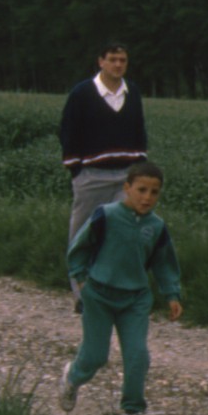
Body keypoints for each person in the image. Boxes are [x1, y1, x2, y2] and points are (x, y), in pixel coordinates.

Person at [60, 158, 184, 415]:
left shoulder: (157, 226)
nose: (147, 197)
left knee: (138, 356)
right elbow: (78, 248)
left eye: (154, 192)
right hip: (99, 296)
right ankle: (71, 377)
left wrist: (172, 294)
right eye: (141, 190)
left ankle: (132, 412)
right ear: (127, 188)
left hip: (135, 300)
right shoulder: (106, 215)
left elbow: (164, 263)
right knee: (95, 357)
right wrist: (81, 282)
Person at [59, 43, 149, 261]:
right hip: (92, 176)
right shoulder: (82, 93)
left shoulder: (132, 92)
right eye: (112, 59)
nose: (118, 65)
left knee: (122, 233)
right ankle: (81, 288)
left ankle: (113, 286)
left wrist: (139, 166)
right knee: (83, 233)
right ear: (101, 62)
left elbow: (139, 130)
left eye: (122, 60)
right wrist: (77, 171)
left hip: (126, 177)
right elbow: (67, 132)